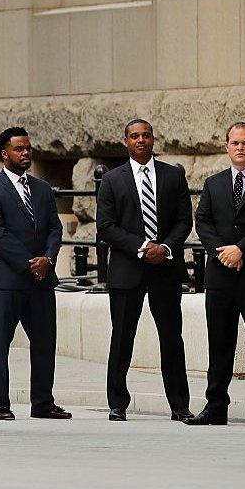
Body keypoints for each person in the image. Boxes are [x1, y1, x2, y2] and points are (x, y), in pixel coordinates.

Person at [185, 122, 245, 428]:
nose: (240, 148)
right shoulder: (214, 184)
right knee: (219, 343)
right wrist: (223, 252)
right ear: (226, 146)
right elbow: (202, 222)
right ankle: (216, 406)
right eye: (234, 143)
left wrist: (241, 250)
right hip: (220, 276)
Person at [95, 119, 193, 422]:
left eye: (146, 135)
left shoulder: (173, 176)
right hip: (128, 269)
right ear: (126, 141)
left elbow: (183, 221)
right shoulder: (112, 179)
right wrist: (142, 247)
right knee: (122, 336)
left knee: (172, 338)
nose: (141, 140)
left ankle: (179, 405)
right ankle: (117, 403)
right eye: (135, 136)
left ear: (153, 139)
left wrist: (163, 248)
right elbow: (106, 226)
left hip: (164, 267)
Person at [0, 127, 70, 421]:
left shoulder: (42, 189)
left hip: (41, 280)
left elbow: (55, 228)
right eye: (19, 149)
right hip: (5, 280)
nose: (26, 153)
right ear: (5, 154)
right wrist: (30, 262)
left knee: (44, 342)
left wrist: (48, 259)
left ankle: (43, 403)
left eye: (28, 148)